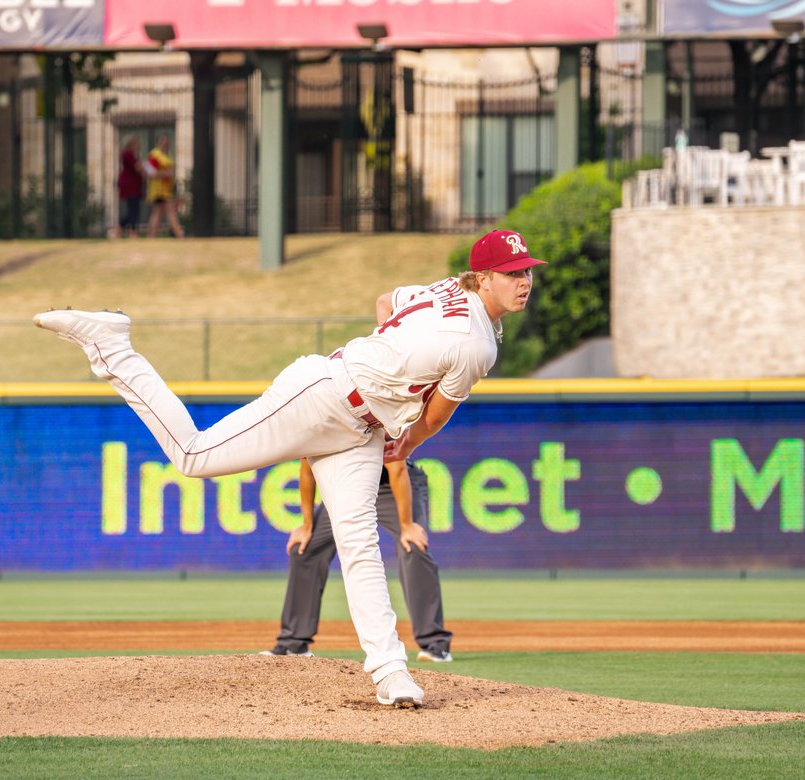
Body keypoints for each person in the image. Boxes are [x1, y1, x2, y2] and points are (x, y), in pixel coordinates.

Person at [33, 229, 545, 708]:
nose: (524, 281)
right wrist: (404, 440)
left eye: (526, 271)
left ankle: (391, 671)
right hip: (322, 397)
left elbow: (388, 302)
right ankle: (113, 346)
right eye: (512, 273)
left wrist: (390, 375)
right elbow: (435, 416)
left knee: (359, 544)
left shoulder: (442, 290)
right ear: (482, 279)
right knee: (193, 456)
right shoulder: (475, 345)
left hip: (359, 430)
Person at [261, 457, 453, 662]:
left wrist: (407, 525)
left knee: (413, 545)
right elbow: (307, 470)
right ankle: (293, 644)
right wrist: (307, 526)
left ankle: (435, 644)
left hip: (392, 483)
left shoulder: (375, 423)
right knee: (305, 548)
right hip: (351, 487)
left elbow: (396, 467)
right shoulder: (319, 427)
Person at [145, 134, 185, 240]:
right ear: (158, 143)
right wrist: (165, 174)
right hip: (158, 190)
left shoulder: (168, 156)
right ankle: (179, 234)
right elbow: (149, 173)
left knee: (158, 213)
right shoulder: (155, 155)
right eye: (163, 142)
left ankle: (151, 236)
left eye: (167, 142)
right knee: (170, 211)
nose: (165, 144)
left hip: (166, 189)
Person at [116, 136, 145, 239]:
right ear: (131, 144)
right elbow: (138, 168)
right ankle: (129, 231)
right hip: (130, 186)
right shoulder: (127, 154)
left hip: (135, 186)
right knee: (132, 209)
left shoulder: (133, 155)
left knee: (134, 209)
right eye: (136, 143)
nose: (138, 146)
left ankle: (125, 230)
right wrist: (142, 166)